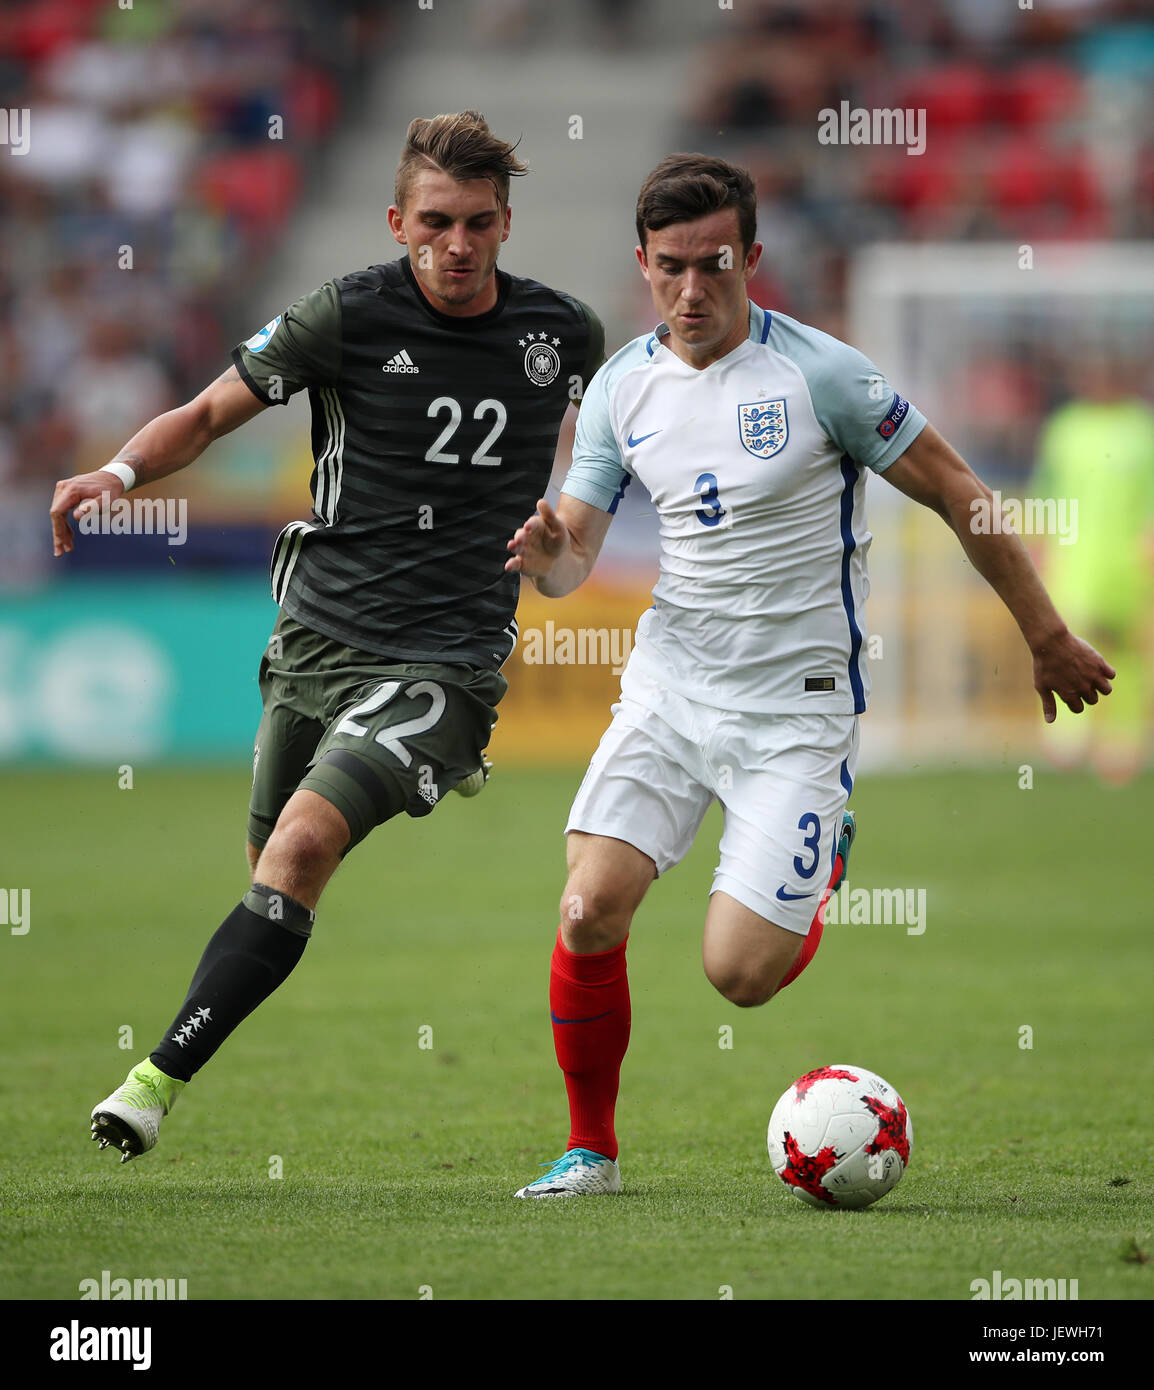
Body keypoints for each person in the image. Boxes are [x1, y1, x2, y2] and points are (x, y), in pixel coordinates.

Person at [504, 152, 1114, 1198]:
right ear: (641, 265)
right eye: (668, 269)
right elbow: (572, 563)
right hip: (668, 689)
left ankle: (822, 847)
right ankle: (589, 1151)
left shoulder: (821, 375)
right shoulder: (618, 387)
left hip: (793, 713)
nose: (690, 291)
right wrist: (545, 551)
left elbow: (959, 492)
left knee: (739, 977)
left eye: (712, 266)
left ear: (750, 258)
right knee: (585, 907)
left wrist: (1043, 633)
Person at [49, 111, 605, 1163]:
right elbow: (211, 414)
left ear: (504, 223)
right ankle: (418, 768)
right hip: (314, 638)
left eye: (479, 224)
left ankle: (149, 1083)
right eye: (436, 222)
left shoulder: (564, 334)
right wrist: (115, 474)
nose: (458, 245)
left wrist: (554, 550)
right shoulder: (344, 315)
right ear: (397, 221)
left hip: (445, 655)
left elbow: (578, 531)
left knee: (302, 847)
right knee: (270, 872)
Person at [1029, 350, 1154, 784]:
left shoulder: (1142, 428)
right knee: (1067, 643)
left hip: (1126, 559)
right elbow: (1047, 489)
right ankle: (1068, 735)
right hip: (1074, 558)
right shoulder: (1065, 429)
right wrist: (1042, 542)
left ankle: (1123, 738)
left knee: (1126, 649)